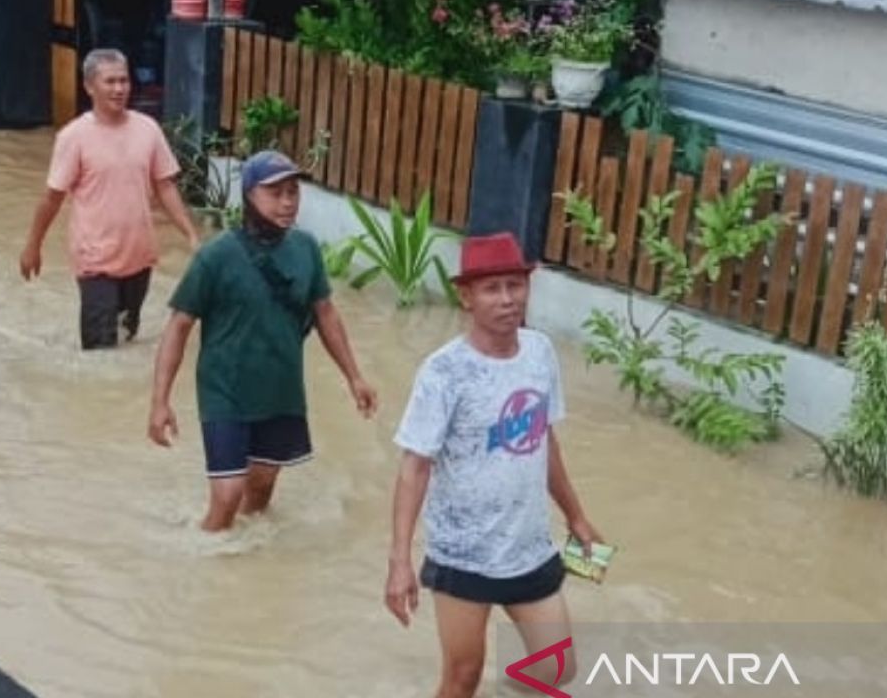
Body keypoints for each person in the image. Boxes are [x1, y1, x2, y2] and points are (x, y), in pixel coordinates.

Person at [383, 232, 602, 698]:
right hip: (462, 553)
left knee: (557, 668)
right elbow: (414, 467)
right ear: (466, 297)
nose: (507, 299)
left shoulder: (540, 353)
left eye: (515, 285)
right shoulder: (444, 373)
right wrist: (399, 560)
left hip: (529, 546)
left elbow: (544, 440)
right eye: (491, 288)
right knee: (461, 678)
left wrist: (577, 515)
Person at [149, 150, 378, 532]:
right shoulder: (215, 256)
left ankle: (248, 572)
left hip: (281, 390)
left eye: (293, 192)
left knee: (261, 489)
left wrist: (355, 376)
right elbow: (179, 325)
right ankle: (208, 565)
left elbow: (325, 313)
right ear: (250, 195)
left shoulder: (305, 249)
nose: (288, 202)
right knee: (228, 495)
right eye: (276, 193)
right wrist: (160, 402)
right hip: (225, 390)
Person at [19, 48, 200, 349]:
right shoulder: (73, 137)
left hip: (139, 256)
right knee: (101, 353)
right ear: (89, 86)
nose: (119, 89)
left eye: (124, 81)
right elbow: (52, 198)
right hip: (95, 260)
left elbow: (165, 186)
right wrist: (32, 246)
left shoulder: (148, 129)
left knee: (127, 339)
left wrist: (191, 234)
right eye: (110, 81)